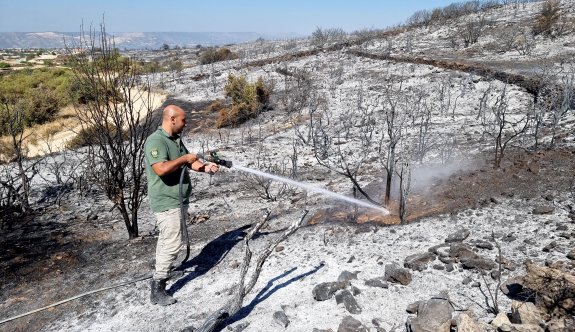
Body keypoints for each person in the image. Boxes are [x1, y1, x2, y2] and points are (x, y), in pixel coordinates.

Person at [144, 104, 219, 306]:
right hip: (166, 201)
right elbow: (161, 168)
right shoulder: (156, 141)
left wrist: (205, 168)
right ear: (172, 119)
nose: (186, 124)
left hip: (178, 200)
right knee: (172, 242)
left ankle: (162, 272)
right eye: (183, 120)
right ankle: (158, 288)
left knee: (167, 239)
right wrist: (185, 158)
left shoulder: (175, 140)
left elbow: (190, 163)